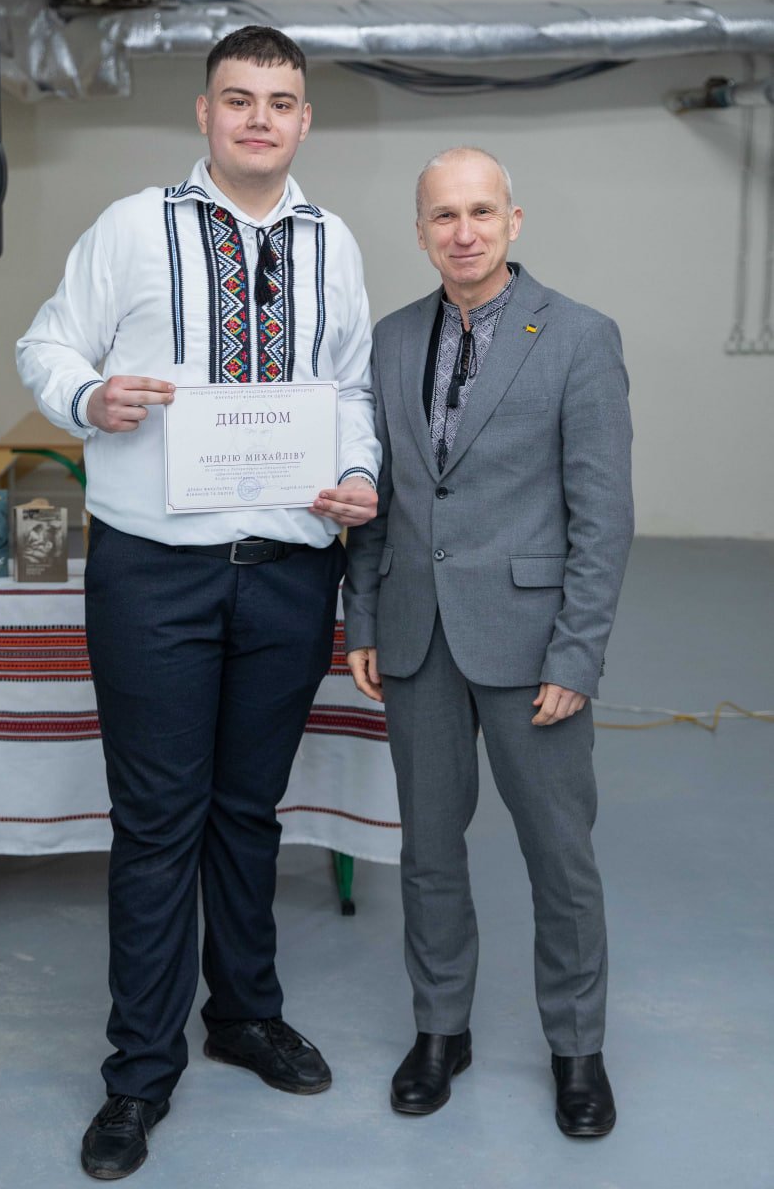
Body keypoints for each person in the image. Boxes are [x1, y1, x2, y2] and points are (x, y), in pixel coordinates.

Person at [17, 25, 380, 1180]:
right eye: (238, 98)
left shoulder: (334, 242)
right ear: (205, 113)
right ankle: (138, 1070)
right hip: (155, 571)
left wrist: (359, 470)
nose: (258, 118)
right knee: (157, 820)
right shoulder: (133, 226)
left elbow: (353, 387)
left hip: (289, 567)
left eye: (279, 100)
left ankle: (243, 1014)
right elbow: (44, 344)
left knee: (247, 809)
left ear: (304, 119)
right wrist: (89, 395)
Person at [343, 147, 633, 1136]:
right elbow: (377, 493)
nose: (461, 232)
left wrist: (576, 654)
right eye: (442, 215)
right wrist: (363, 615)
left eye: (479, 212)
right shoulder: (391, 340)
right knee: (427, 851)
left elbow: (602, 513)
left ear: (513, 221)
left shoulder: (579, 336)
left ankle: (576, 1050)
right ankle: (440, 1031)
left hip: (531, 643)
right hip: (415, 635)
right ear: (420, 230)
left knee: (559, 857)